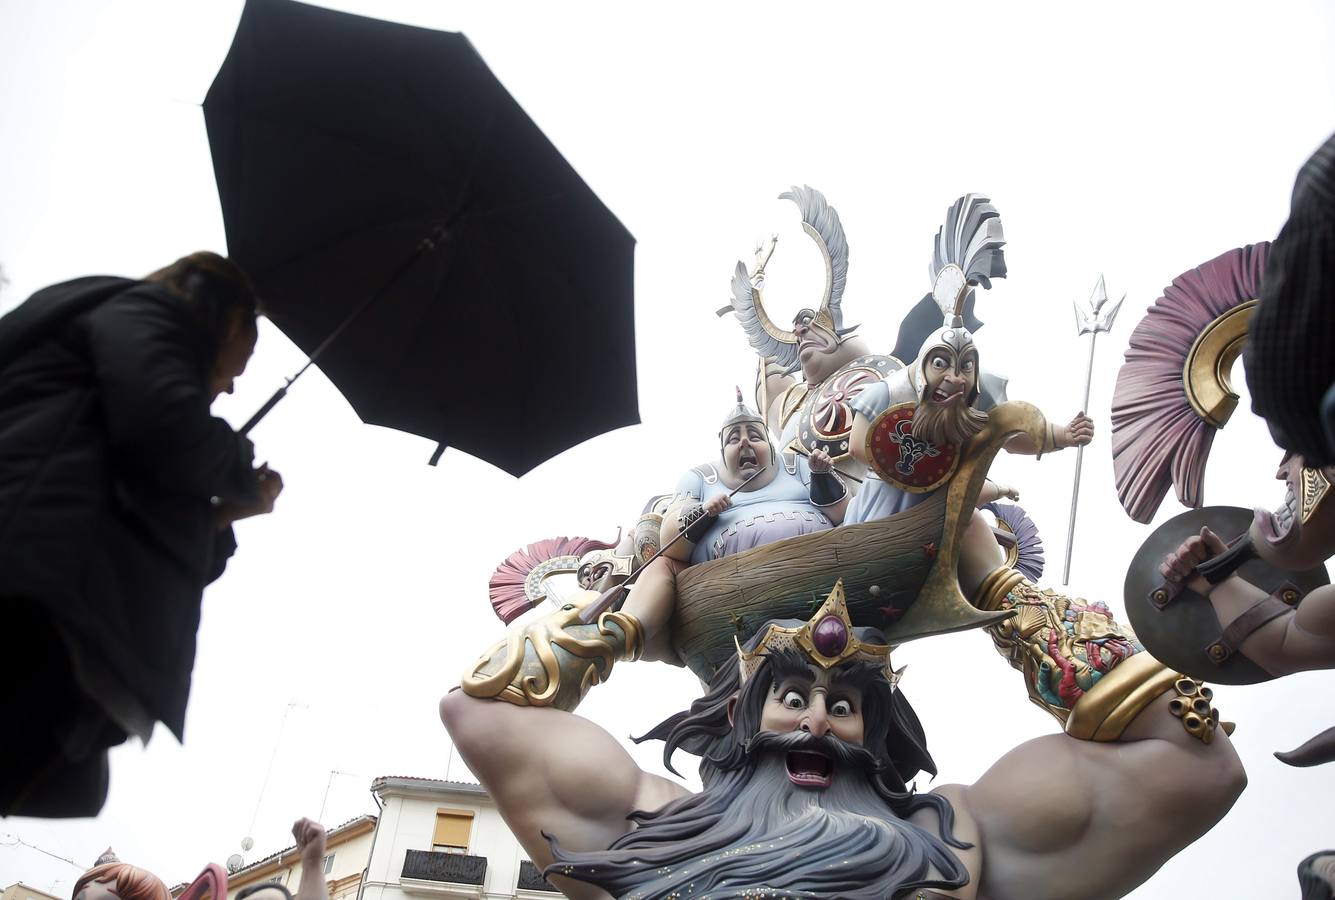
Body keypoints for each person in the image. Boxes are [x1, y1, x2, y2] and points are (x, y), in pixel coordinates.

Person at [441, 580, 1245, 899]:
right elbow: (477, 713)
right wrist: (627, 617)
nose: (818, 722)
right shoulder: (645, 826)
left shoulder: (959, 840)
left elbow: (1192, 768)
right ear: (740, 718)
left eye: (845, 706)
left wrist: (1007, 595)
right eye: (791, 697)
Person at [0, 251, 282, 818]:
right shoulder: (140, 310)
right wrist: (237, 460)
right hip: (36, 587)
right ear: (229, 326)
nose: (227, 390)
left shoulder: (119, 347)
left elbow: (137, 510)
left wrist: (227, 514)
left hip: (65, 596)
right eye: (237, 367)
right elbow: (160, 422)